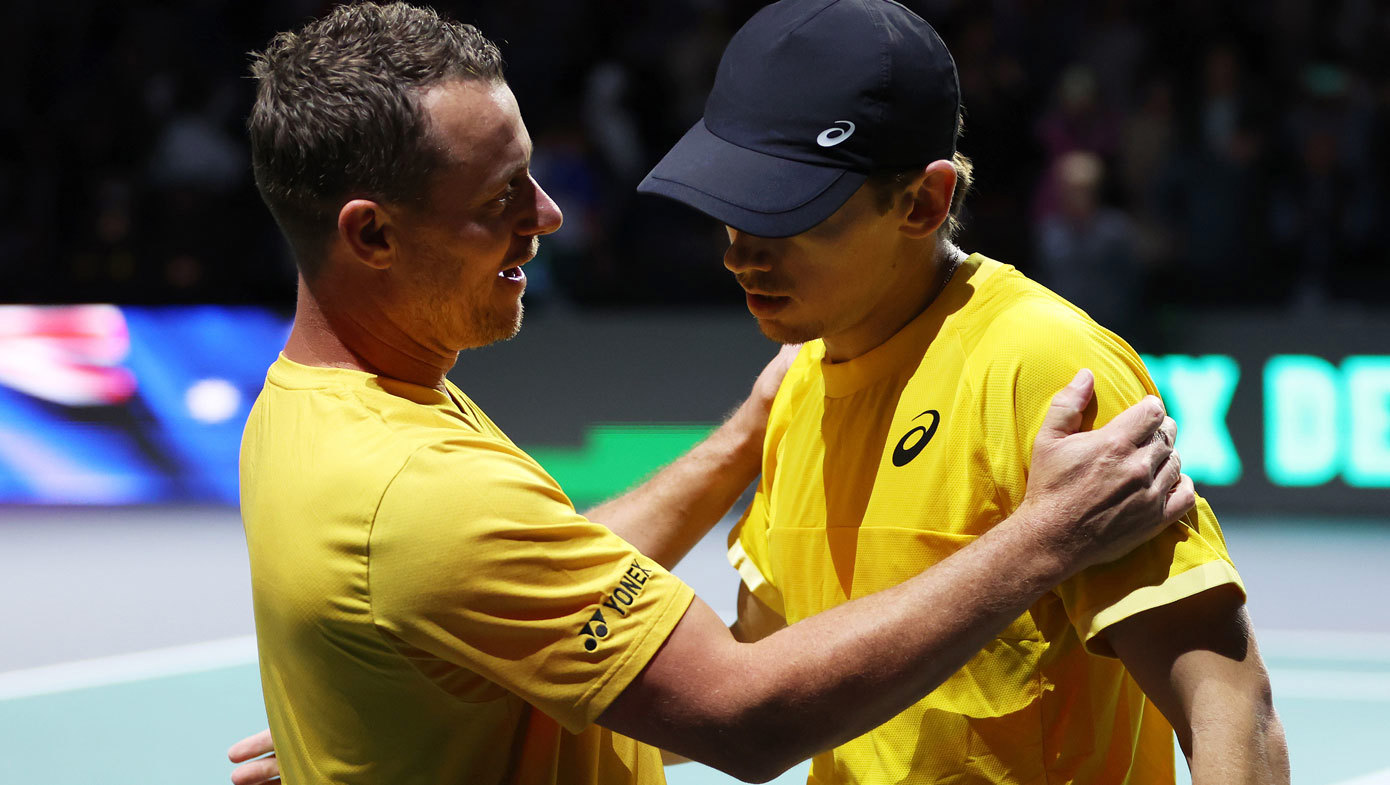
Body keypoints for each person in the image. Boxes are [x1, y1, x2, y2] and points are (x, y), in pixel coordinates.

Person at [229, 3, 1195, 784]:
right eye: (500, 200)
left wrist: (395, 712)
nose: (550, 217)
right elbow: (741, 708)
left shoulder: (311, 411)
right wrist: (1047, 534)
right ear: (371, 236)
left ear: (924, 202)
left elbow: (530, 575)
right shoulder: (415, 488)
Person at [635, 1, 1290, 783]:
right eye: (730, 208)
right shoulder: (797, 390)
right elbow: (760, 680)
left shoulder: (1045, 367)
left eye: (787, 214)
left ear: (924, 202)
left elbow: (1229, 703)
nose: (741, 255)